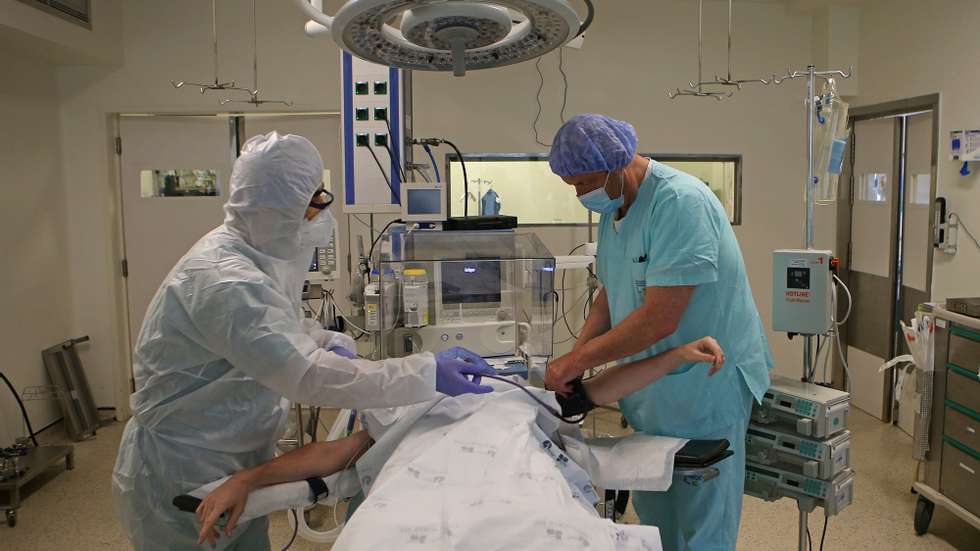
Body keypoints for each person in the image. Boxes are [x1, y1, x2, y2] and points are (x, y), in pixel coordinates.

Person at [112, 131, 495, 551]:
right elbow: (305, 376)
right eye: (312, 203)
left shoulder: (254, 258)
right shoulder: (225, 280)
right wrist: (424, 372)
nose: (321, 213)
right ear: (276, 210)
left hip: (234, 453)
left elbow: (276, 329)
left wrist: (324, 339)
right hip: (185, 463)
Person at [192, 336, 727, 548]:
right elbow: (338, 452)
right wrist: (247, 479)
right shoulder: (407, 395)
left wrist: (675, 356)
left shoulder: (523, 393)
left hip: (516, 479)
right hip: (416, 491)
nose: (481, 371)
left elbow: (606, 386)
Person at [544, 114, 773, 551]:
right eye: (572, 186)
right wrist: (577, 356)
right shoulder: (616, 209)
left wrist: (577, 363)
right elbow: (611, 293)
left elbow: (659, 319)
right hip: (653, 389)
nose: (580, 196)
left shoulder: (680, 204)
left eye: (584, 184)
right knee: (655, 518)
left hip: (706, 384)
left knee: (702, 524)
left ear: (617, 164)